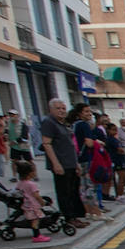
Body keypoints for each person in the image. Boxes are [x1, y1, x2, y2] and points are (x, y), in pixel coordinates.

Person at [39, 98, 88, 228]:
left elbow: (71, 145)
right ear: (51, 109)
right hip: (61, 164)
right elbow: (47, 144)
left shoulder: (64, 123)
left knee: (73, 191)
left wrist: (76, 163)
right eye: (58, 108)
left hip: (71, 162)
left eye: (63, 108)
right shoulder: (49, 123)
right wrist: (56, 163)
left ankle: (76, 216)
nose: (61, 111)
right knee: (64, 192)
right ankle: (68, 218)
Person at [13, 160, 51, 243]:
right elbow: (36, 195)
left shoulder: (20, 183)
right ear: (30, 173)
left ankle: (37, 235)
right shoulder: (32, 184)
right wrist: (42, 202)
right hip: (33, 205)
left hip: (26, 205)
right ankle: (37, 236)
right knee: (35, 220)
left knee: (33, 220)